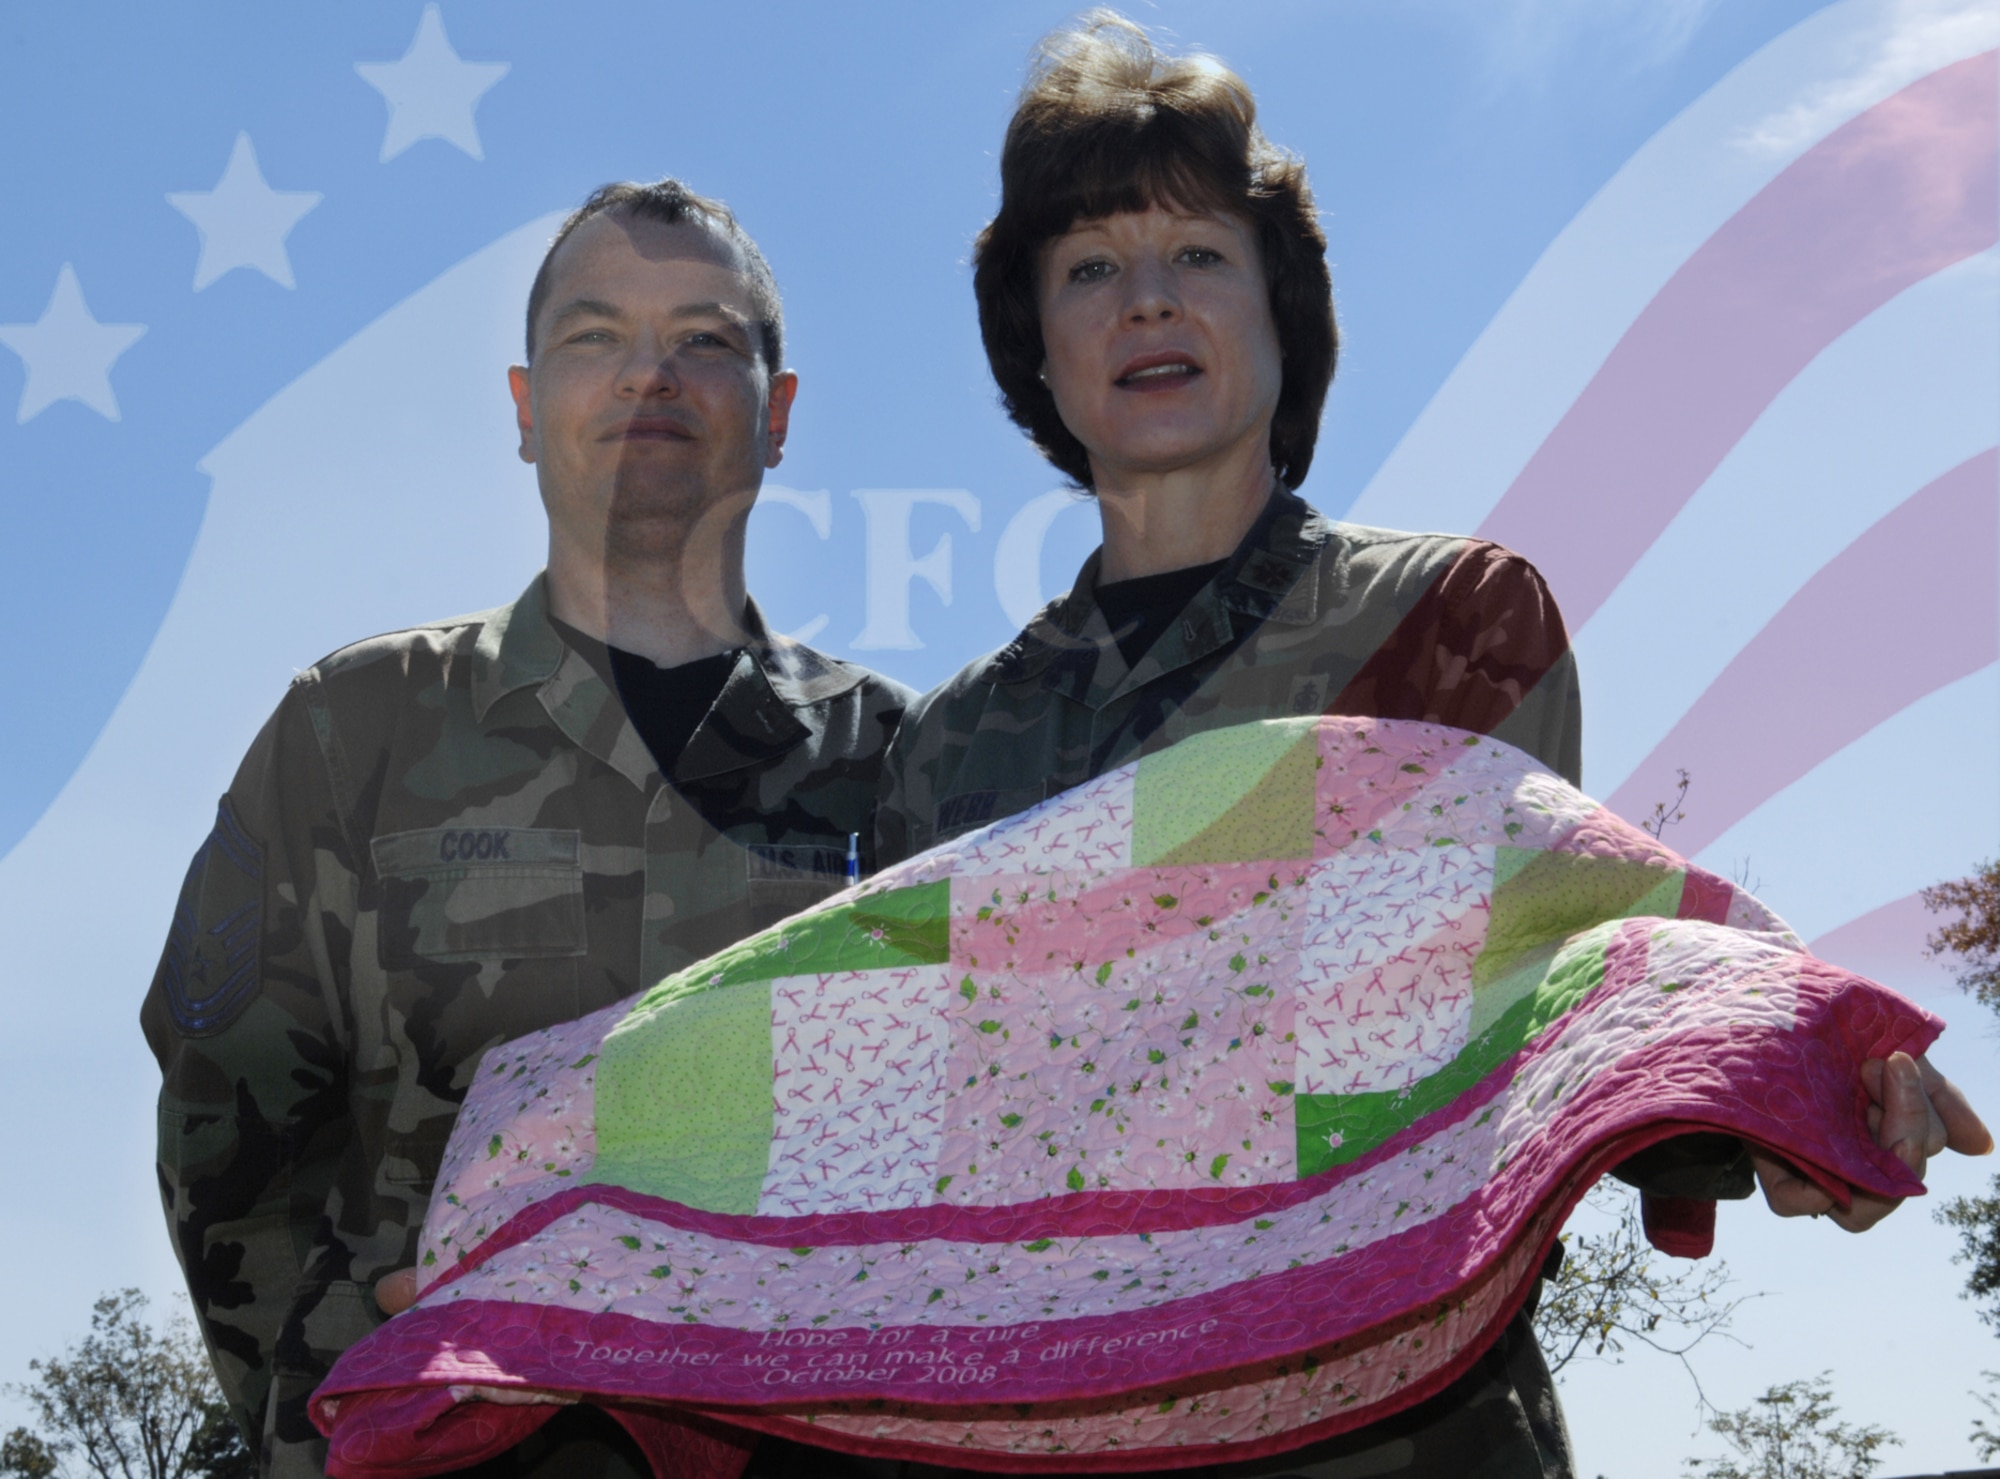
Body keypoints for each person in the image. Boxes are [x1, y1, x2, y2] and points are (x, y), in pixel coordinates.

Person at [832, 14, 1988, 1479]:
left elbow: (1538, 985)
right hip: (1039, 1436)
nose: (1145, 303)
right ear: (1038, 357)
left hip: (1396, 1434)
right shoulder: (946, 751)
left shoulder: (1448, 622)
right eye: (1088, 270)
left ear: (1279, 315)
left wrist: (1777, 1082)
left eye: (1197, 254)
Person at [141, 179, 914, 1479]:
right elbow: (227, 1140)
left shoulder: (899, 764)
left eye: (706, 341)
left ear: (778, 417)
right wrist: (348, 1396)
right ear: (521, 409)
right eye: (595, 336)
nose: (648, 377)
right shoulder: (355, 731)